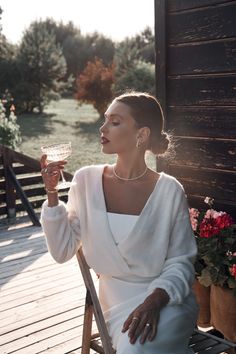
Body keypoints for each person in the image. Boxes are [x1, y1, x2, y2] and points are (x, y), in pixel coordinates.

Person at [40, 91, 198, 354]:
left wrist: (155, 300)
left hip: (165, 299)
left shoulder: (170, 190)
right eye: (105, 120)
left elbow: (181, 261)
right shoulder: (85, 181)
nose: (102, 128)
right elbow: (61, 251)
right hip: (115, 302)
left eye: (115, 122)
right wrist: (52, 194)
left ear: (142, 134)